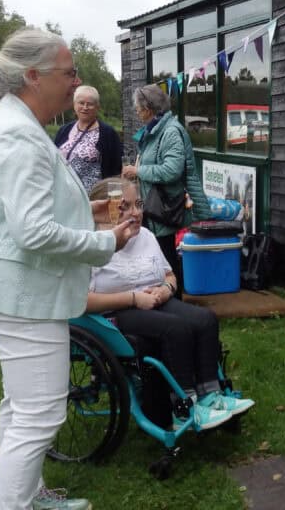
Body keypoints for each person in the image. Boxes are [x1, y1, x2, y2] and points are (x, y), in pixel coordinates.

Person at [0, 27, 136, 510]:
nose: (76, 82)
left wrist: (87, 211)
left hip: (14, 291)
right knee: (38, 415)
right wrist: (106, 241)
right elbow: (32, 232)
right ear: (33, 76)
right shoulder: (18, 134)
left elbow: (25, 212)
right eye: (68, 73)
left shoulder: (15, 122)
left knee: (22, 407)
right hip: (21, 297)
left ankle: (30, 496)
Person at [86, 177, 254, 429]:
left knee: (206, 319)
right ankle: (184, 407)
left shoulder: (145, 236)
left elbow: (169, 275)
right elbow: (82, 301)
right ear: (104, 209)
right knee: (176, 329)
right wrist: (134, 298)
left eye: (138, 204)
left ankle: (211, 396)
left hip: (154, 301)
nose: (136, 213)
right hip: (114, 312)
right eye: (125, 207)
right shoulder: (91, 244)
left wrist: (166, 290)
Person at [122, 84, 211, 296]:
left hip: (164, 208)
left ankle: (174, 302)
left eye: (138, 108)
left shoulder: (170, 131)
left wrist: (139, 171)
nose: (137, 112)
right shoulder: (156, 129)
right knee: (158, 257)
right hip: (154, 206)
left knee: (166, 258)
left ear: (149, 109)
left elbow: (172, 170)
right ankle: (163, 299)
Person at [53, 85, 123, 191]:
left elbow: (116, 169)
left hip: (93, 195)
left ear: (97, 107)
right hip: (64, 192)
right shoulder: (64, 130)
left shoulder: (108, 133)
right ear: (74, 105)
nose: (85, 107)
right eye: (81, 103)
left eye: (90, 104)